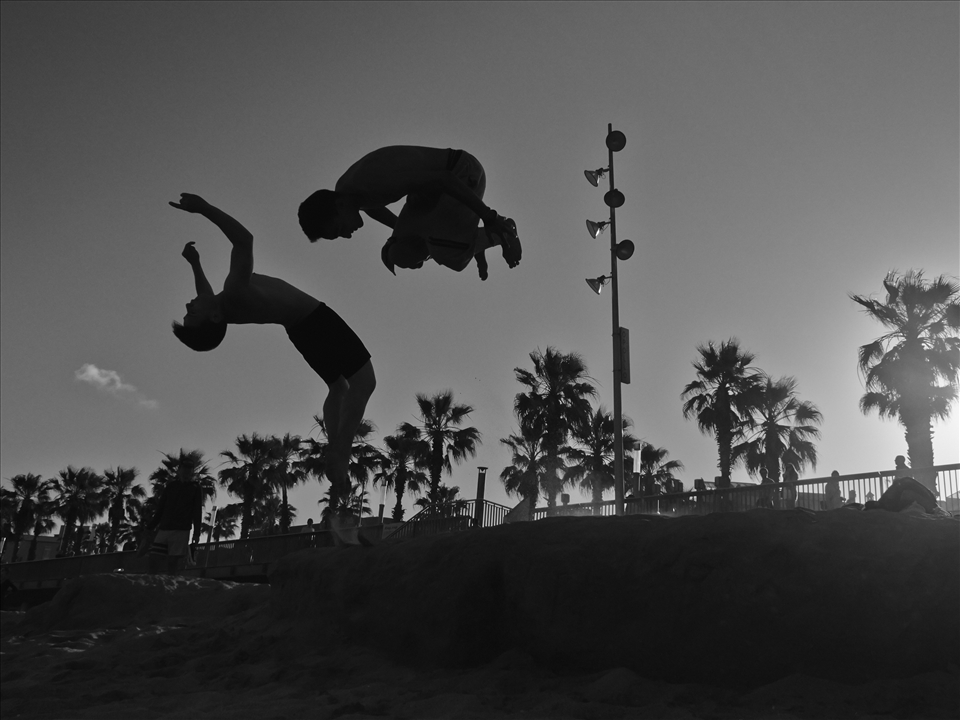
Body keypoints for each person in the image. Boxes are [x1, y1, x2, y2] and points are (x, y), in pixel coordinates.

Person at [170, 193, 376, 489]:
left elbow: (204, 297)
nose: (188, 307)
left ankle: (335, 449)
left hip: (298, 331)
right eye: (191, 315)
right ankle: (342, 450)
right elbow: (244, 240)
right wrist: (204, 209)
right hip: (315, 319)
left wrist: (195, 263)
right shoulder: (235, 292)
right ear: (213, 319)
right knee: (364, 382)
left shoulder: (220, 307)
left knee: (338, 386)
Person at [298, 146, 521, 281]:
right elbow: (377, 211)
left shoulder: (371, 181)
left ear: (339, 207)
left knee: (448, 255)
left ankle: (501, 233)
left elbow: (444, 179)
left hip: (462, 172)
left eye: (339, 230)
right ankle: (466, 240)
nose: (347, 236)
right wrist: (409, 232)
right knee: (398, 254)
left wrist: (487, 216)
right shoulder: (349, 193)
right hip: (429, 193)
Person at [145, 473, 204, 574]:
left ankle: (170, 584)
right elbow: (161, 508)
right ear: (180, 470)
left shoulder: (195, 487)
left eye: (189, 469)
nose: (186, 472)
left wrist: (197, 533)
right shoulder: (171, 486)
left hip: (182, 529)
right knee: (154, 557)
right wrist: (150, 526)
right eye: (185, 469)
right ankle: (152, 582)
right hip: (165, 527)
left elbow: (197, 511)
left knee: (173, 561)